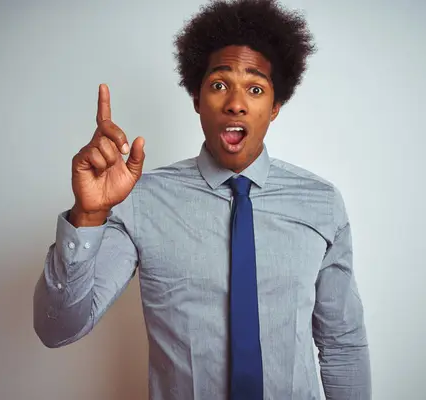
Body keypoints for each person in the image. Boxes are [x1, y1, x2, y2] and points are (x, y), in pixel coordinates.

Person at [33, 0, 371, 398]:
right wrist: (87, 216)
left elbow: (342, 345)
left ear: (275, 107)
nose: (236, 103)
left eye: (256, 88)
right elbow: (57, 329)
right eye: (219, 84)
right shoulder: (141, 202)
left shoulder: (321, 203)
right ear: (197, 99)